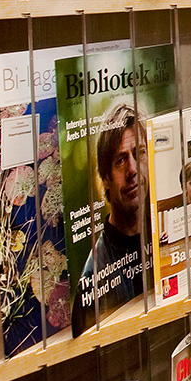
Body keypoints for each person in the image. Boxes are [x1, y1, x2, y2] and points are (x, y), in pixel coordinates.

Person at [77, 101, 150, 332]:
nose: (132, 169)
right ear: (105, 177)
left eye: (139, 153)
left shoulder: (166, 235)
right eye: (120, 160)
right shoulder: (92, 276)